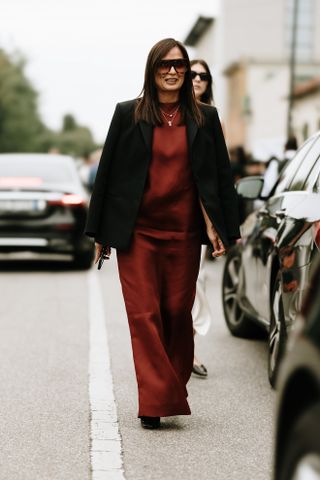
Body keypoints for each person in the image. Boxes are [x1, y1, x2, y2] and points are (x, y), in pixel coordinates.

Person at [85, 38, 240, 430]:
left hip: (183, 235)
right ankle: (154, 401)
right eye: (164, 66)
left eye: (180, 66)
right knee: (144, 315)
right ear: (152, 70)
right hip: (137, 234)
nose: (172, 72)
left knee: (175, 314)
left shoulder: (205, 118)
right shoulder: (128, 114)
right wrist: (100, 230)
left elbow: (220, 177)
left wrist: (225, 230)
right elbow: (108, 174)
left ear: (187, 73)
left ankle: (170, 384)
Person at [190, 59, 214, 377]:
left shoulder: (211, 119)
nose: (196, 79)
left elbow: (215, 176)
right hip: (167, 218)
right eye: (192, 74)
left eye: (203, 76)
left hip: (199, 218)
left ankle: (189, 351)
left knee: (196, 283)